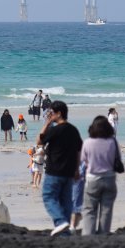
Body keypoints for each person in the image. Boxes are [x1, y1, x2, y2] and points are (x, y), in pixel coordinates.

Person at [38, 101, 82, 236]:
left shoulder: (55, 130)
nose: (49, 115)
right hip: (69, 171)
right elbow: (79, 151)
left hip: (54, 170)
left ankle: (61, 221)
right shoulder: (73, 129)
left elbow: (39, 141)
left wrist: (46, 124)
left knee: (48, 196)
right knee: (66, 202)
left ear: (59, 113)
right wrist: (77, 169)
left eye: (51, 113)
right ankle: (65, 233)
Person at [81, 115, 119, 236]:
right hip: (109, 178)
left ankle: (88, 235)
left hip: (93, 178)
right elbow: (115, 160)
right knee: (106, 210)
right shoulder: (112, 142)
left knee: (89, 210)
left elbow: (84, 161)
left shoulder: (87, 143)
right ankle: (103, 234)